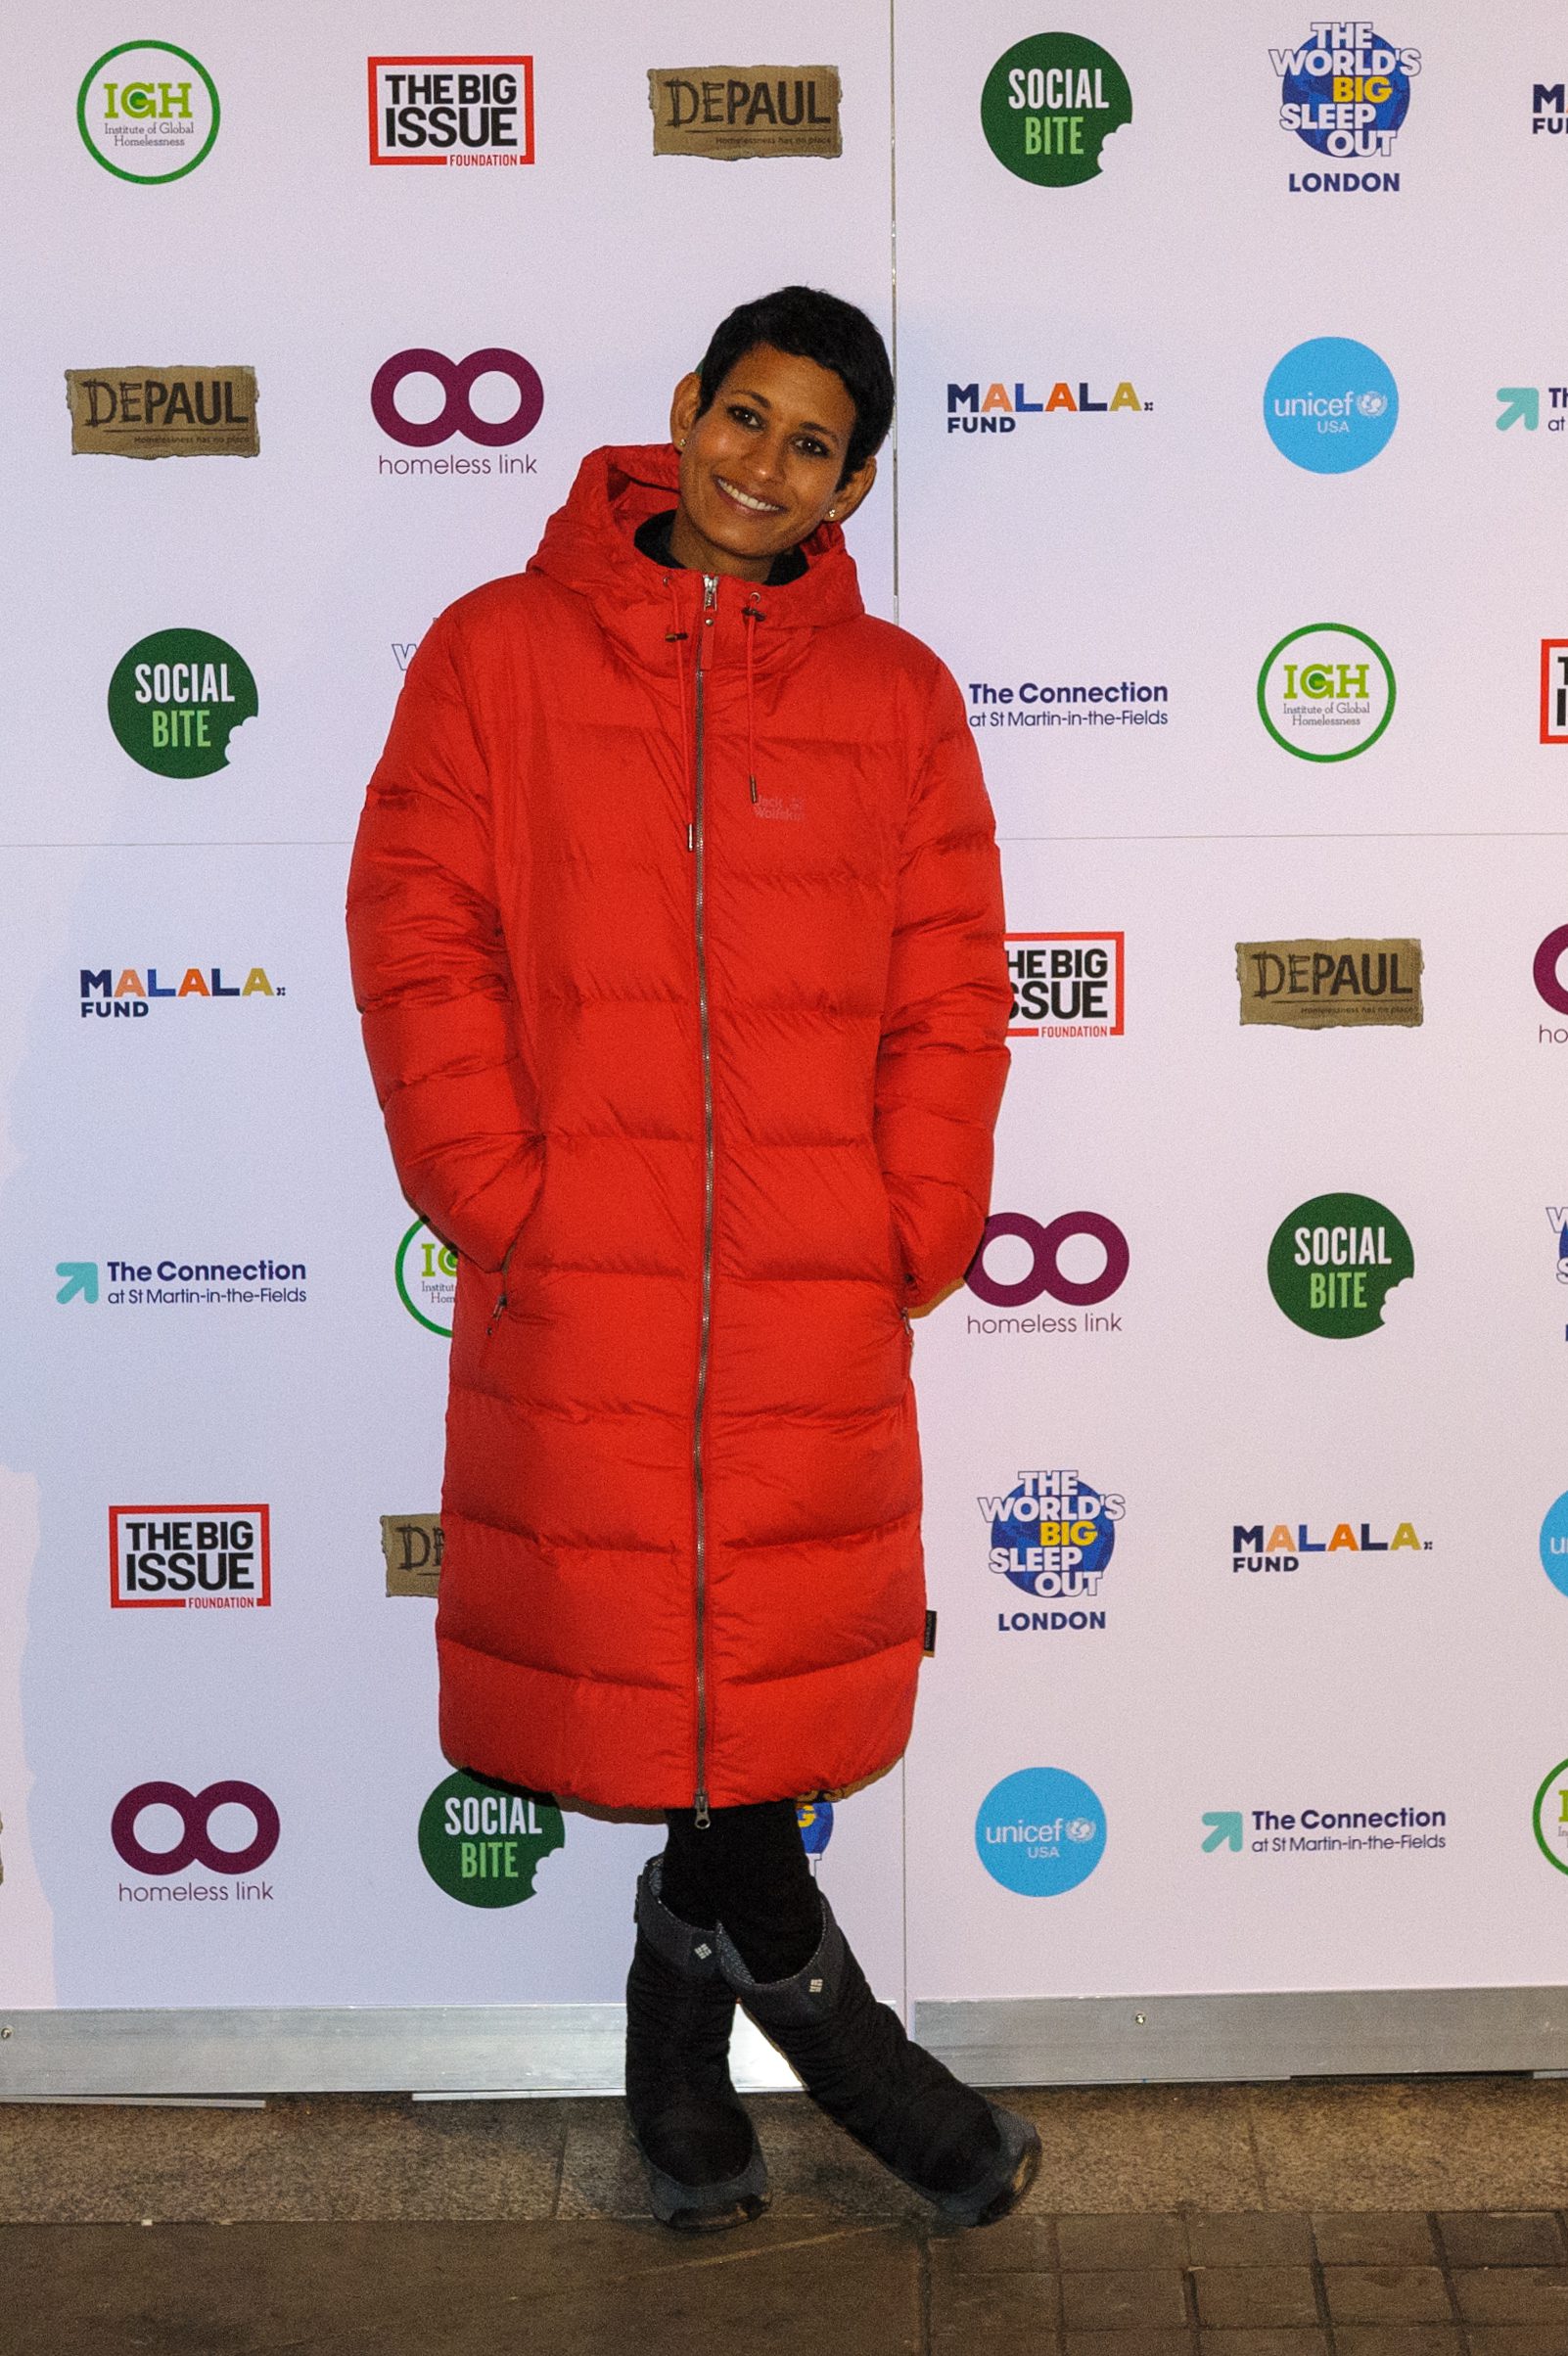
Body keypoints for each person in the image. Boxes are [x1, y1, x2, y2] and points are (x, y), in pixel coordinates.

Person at [347, 286, 1036, 2232]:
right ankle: (843, 2039)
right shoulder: (499, 652)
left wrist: (912, 1218)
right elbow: (419, 924)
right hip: (586, 1272)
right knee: (666, 1654)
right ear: (685, 409)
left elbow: (954, 990)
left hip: (816, 1279)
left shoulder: (899, 699)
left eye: (812, 443)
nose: (764, 463)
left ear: (856, 484)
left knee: (738, 1669)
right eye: (745, 414)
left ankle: (680, 2035)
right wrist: (501, 1186)